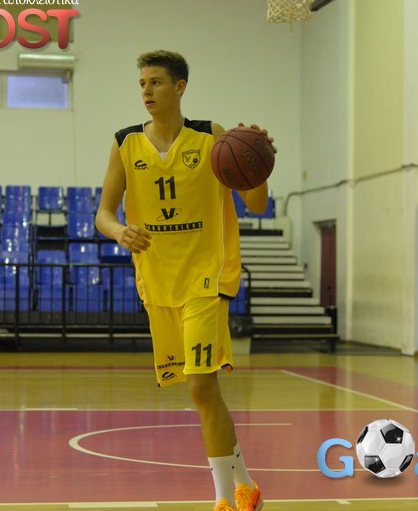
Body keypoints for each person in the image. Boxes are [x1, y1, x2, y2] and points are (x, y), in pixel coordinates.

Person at [95, 50, 273, 511]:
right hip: (158, 281)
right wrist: (119, 231)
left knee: (200, 386)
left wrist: (260, 165)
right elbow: (103, 213)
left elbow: (255, 204)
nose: (146, 91)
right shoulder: (125, 142)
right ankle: (246, 485)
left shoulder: (212, 137)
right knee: (203, 392)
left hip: (206, 278)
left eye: (155, 82)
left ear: (180, 87)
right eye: (142, 83)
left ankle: (222, 500)